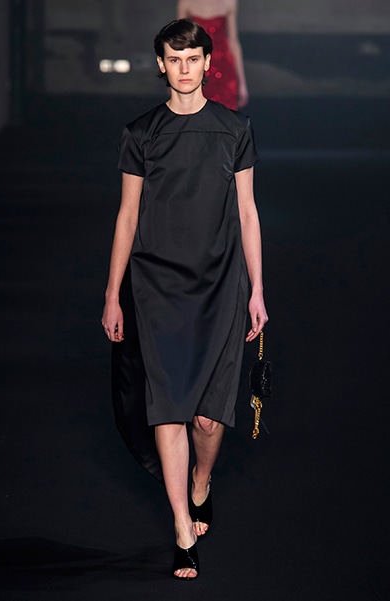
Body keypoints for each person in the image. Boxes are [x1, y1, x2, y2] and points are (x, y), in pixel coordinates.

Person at [101, 18, 268, 580]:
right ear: (161, 65)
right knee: (169, 408)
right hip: (156, 285)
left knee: (208, 420)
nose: (184, 68)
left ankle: (201, 480)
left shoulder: (234, 129)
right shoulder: (141, 134)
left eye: (193, 58)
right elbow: (127, 216)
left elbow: (248, 212)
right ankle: (180, 525)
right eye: (174, 60)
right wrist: (113, 294)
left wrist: (257, 289)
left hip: (220, 284)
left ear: (207, 63)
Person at [177, 0, 248, 109]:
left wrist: (242, 83)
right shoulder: (186, 2)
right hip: (197, 68)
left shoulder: (229, 2)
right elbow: (180, 41)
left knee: (225, 113)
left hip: (224, 68)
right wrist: (176, 77)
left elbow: (233, 42)